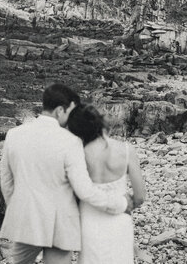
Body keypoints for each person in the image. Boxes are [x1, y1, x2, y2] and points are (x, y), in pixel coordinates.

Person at [0, 84, 131, 264]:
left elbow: (6, 182)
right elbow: (84, 190)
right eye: (71, 112)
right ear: (60, 110)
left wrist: (18, 210)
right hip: (59, 225)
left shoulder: (13, 135)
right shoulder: (71, 141)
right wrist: (120, 203)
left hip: (26, 220)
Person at [67, 104, 147, 264]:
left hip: (89, 223)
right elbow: (140, 196)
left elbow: (74, 195)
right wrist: (126, 204)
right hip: (120, 222)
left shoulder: (79, 154)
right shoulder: (126, 150)